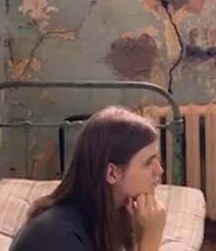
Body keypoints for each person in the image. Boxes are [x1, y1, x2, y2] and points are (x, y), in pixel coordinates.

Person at [10, 106, 166, 251]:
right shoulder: (58, 236)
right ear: (112, 173)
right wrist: (151, 238)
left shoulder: (104, 218)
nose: (159, 170)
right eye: (148, 162)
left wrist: (140, 237)